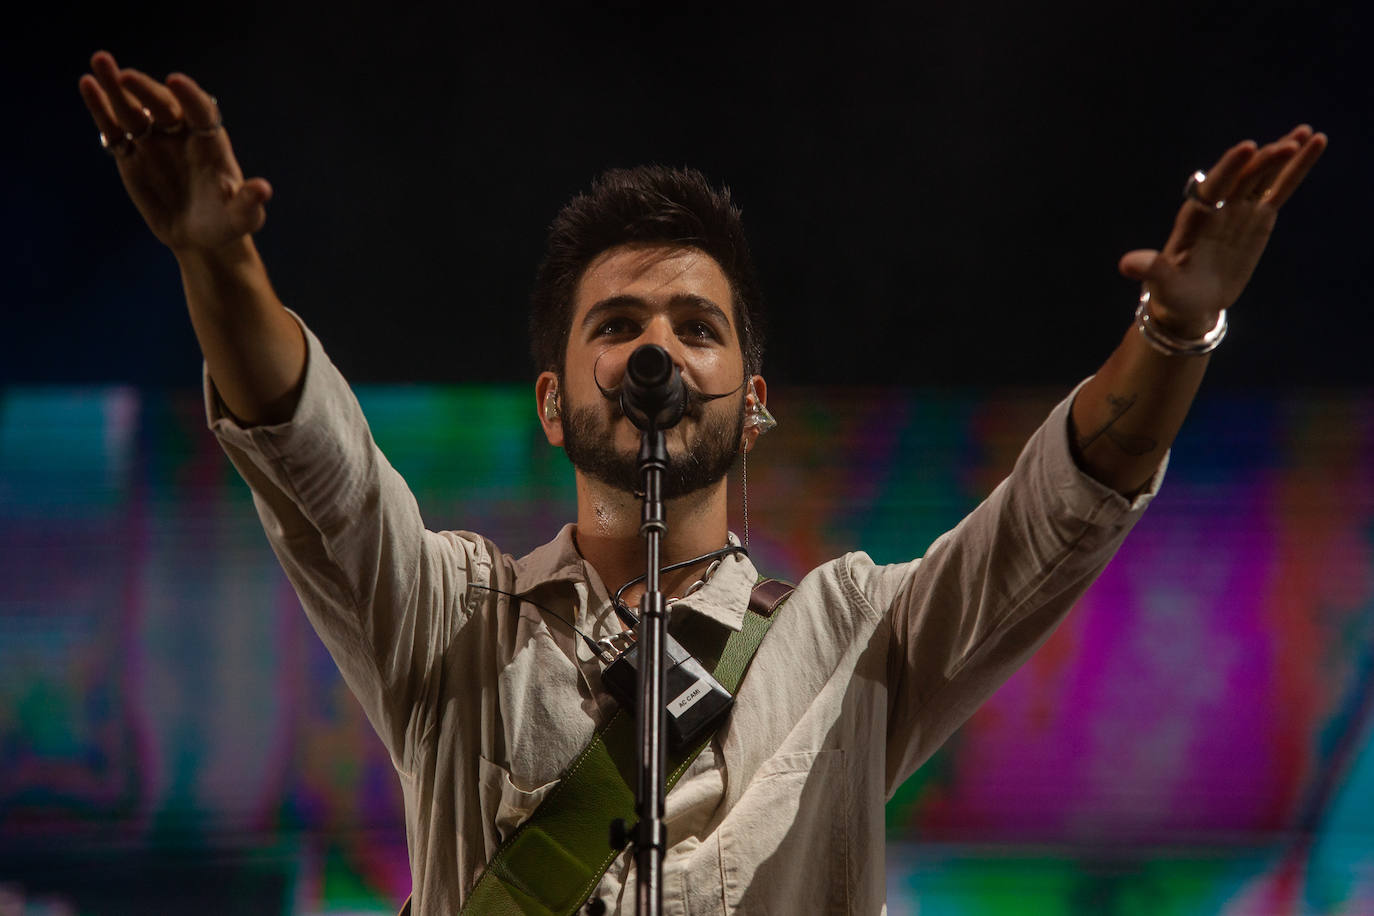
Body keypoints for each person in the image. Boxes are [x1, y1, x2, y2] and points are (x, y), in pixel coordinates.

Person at [80, 49, 1325, 915]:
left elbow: (1059, 518)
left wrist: (1175, 331)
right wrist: (217, 261)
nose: (658, 350)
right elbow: (310, 460)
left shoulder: (856, 638)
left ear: (757, 396)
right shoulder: (449, 622)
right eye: (616, 326)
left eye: (697, 326)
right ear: (554, 402)